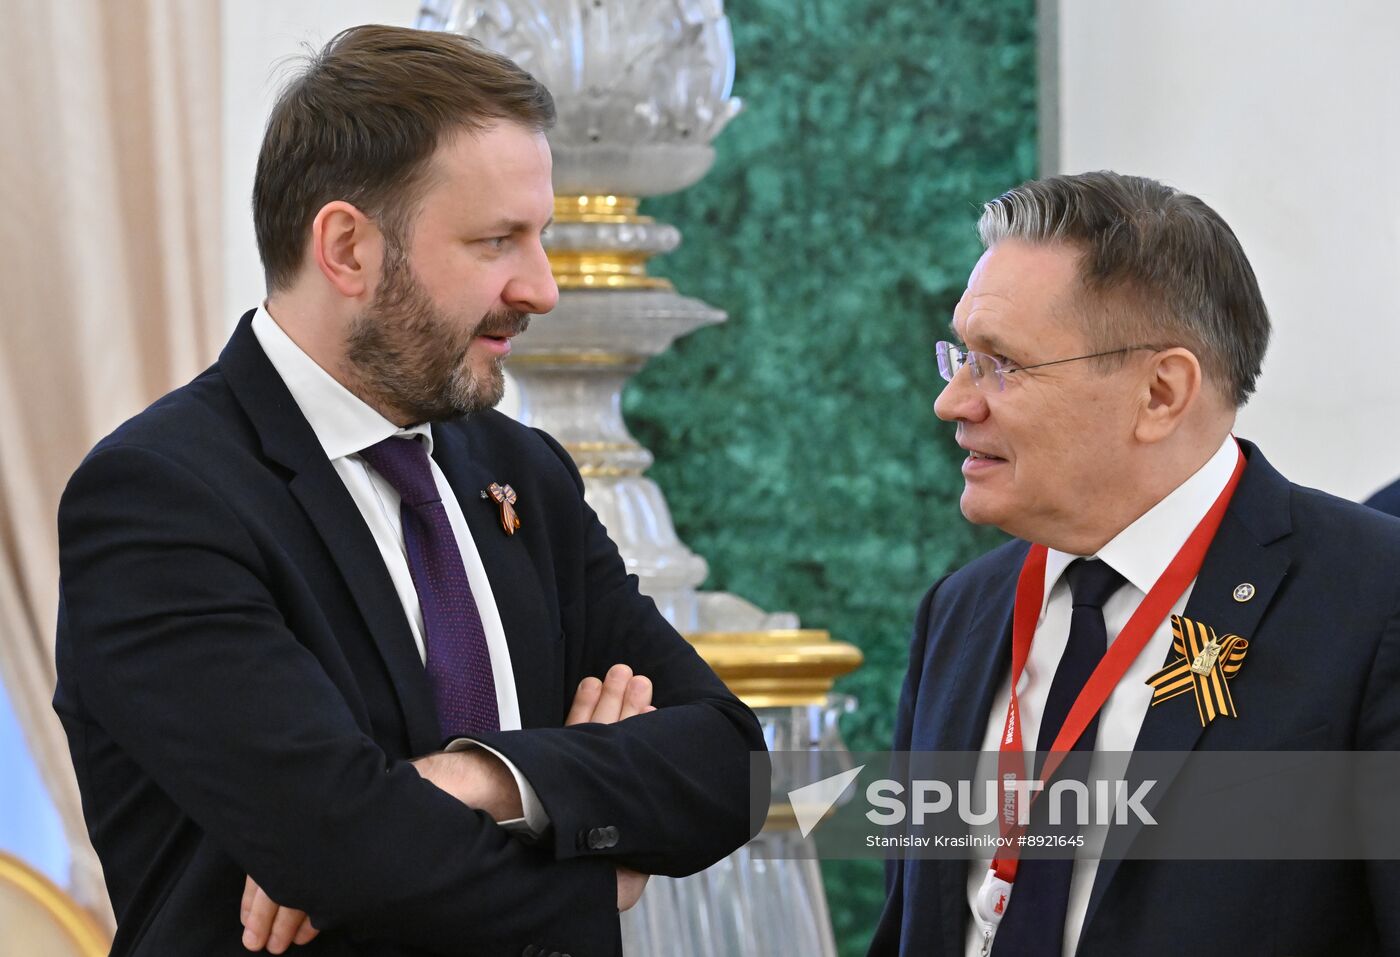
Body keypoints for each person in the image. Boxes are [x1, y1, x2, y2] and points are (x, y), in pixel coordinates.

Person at [53, 24, 763, 957]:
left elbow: (733, 766)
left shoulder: (527, 477)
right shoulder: (159, 500)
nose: (542, 288)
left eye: (538, 237)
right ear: (348, 247)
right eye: (497, 241)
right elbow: (346, 847)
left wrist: (484, 780)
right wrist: (605, 855)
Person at [868, 171, 1400, 956]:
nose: (955, 402)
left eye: (1002, 364)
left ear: (1160, 391)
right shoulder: (961, 610)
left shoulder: (1369, 600)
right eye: (962, 357)